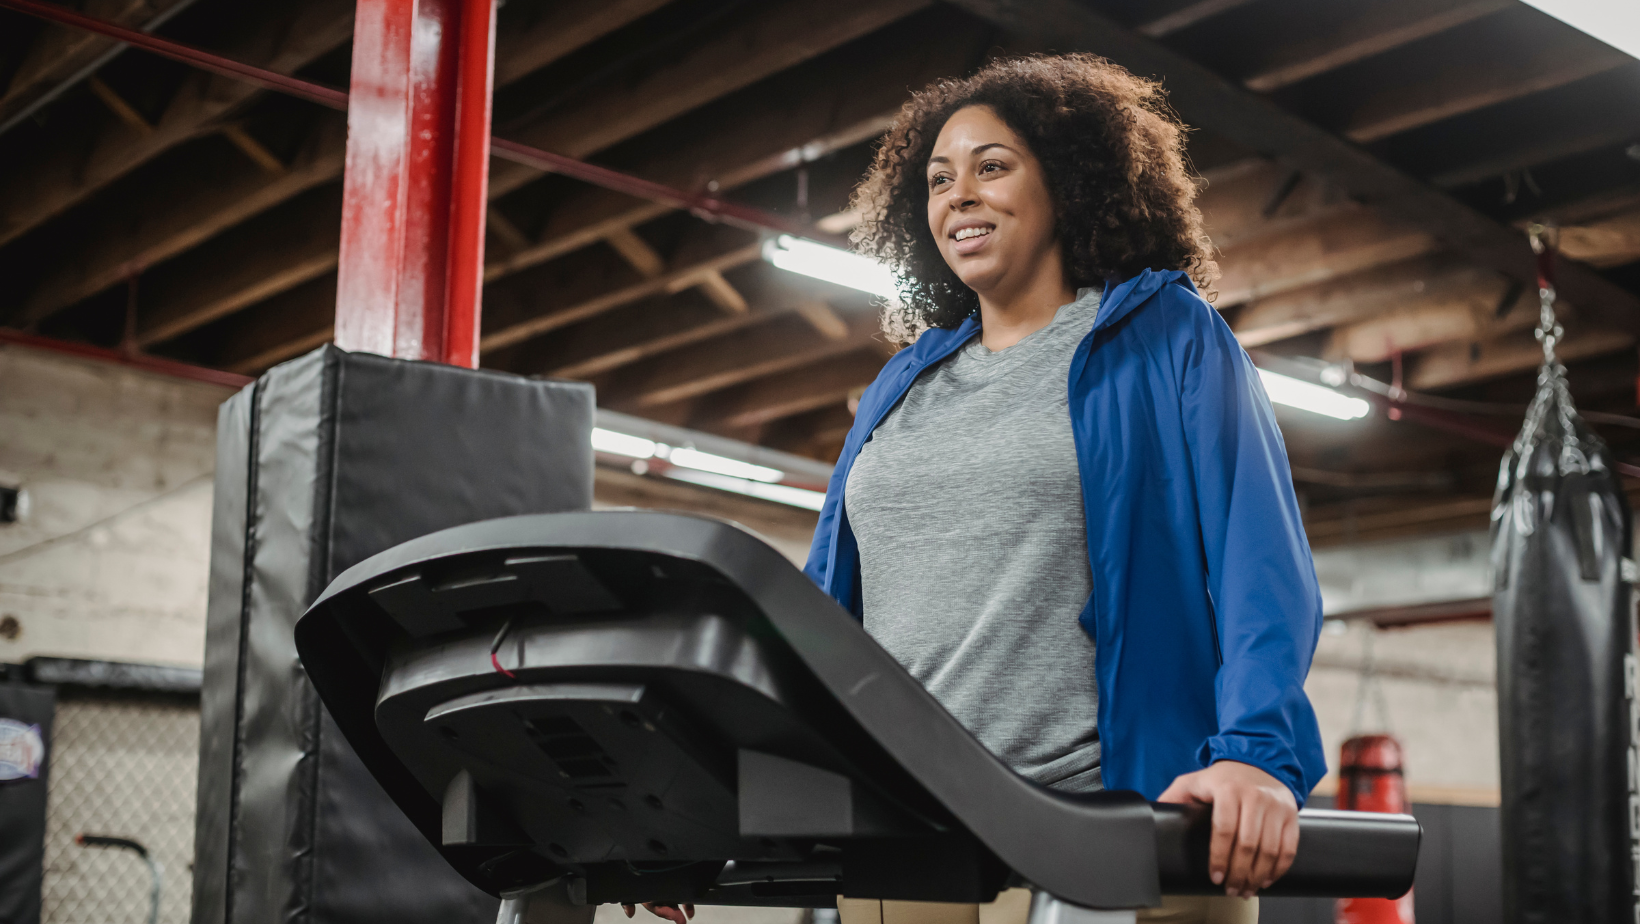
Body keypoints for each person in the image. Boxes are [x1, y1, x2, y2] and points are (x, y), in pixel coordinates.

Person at [632, 53, 1328, 924]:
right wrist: (713, 800)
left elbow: (1258, 561)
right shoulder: (903, 383)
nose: (958, 194)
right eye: (937, 180)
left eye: (991, 166)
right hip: (907, 815)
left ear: (1070, 185)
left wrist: (1258, 754)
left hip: (1115, 814)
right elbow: (820, 616)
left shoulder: (1166, 336)